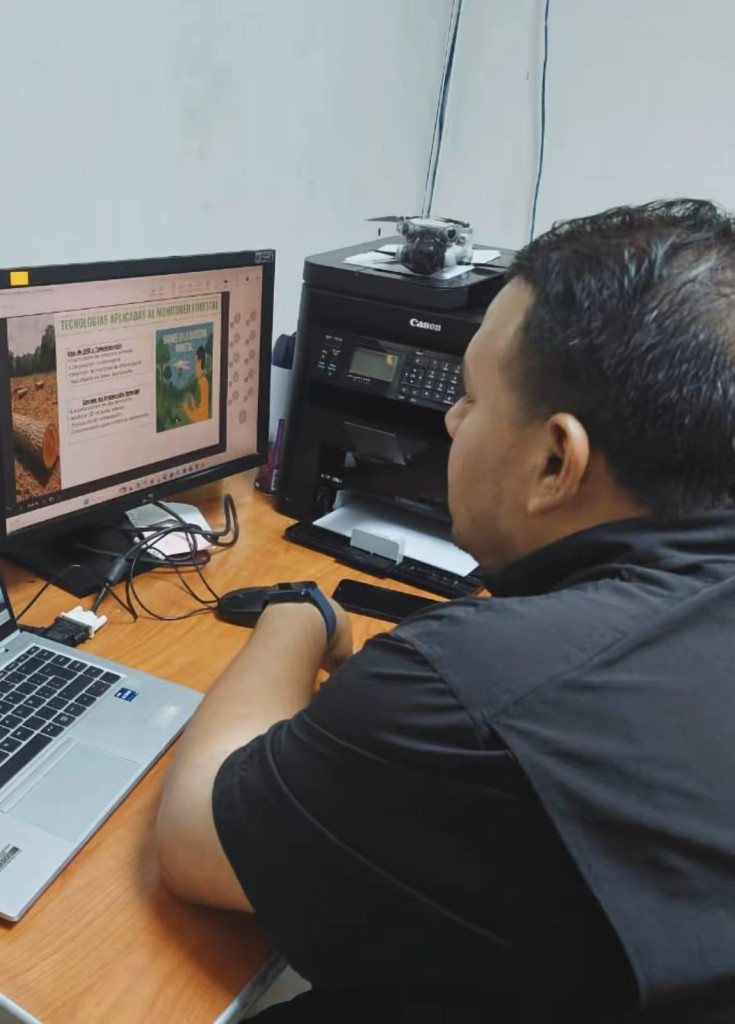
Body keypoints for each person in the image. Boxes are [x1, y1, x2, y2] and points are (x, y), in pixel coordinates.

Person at [155, 200, 735, 1023]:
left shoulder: (471, 686)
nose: (450, 420)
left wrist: (297, 613)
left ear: (554, 461)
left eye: (468, 398)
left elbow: (194, 837)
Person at [183, 345, 209, 422]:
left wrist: (188, 404)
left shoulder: (201, 382)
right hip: (203, 415)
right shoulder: (203, 380)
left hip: (200, 416)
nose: (194, 366)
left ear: (199, 362)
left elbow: (198, 405)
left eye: (196, 362)